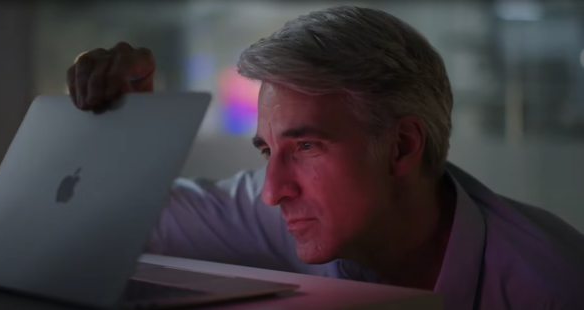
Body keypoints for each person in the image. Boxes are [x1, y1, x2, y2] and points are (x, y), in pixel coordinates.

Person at [66, 6, 584, 310]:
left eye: (306, 147)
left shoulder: (553, 284)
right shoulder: (273, 213)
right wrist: (120, 123)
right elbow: (104, 224)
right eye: (268, 151)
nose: (274, 191)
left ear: (401, 146)